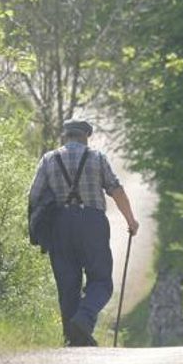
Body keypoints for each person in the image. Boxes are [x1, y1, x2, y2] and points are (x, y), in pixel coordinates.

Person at [28, 119, 140, 347]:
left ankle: (73, 338)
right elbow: (116, 190)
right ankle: (83, 319)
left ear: (65, 136)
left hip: (59, 225)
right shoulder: (96, 158)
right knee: (101, 281)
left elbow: (34, 195)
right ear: (86, 136)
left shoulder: (49, 159)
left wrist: (37, 228)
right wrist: (131, 221)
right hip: (92, 223)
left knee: (67, 284)